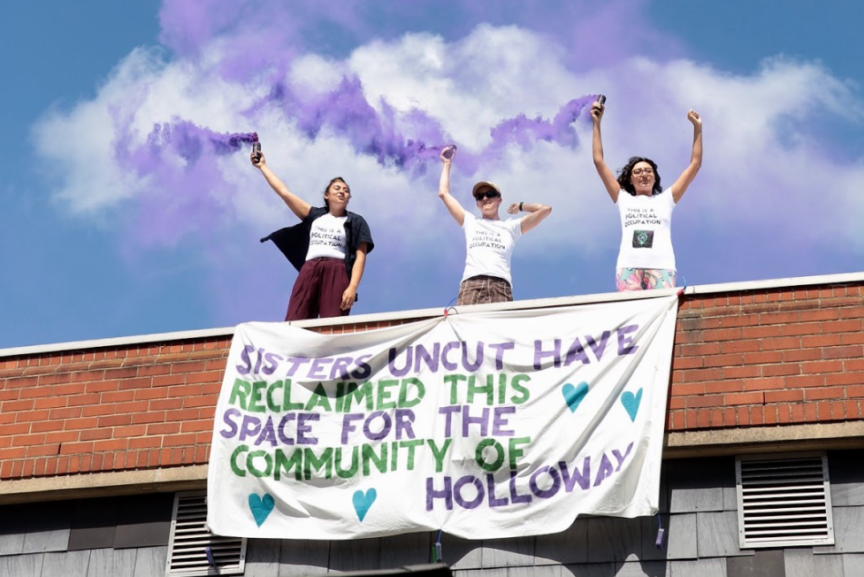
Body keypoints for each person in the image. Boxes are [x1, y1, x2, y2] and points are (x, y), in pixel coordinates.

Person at [591, 100, 702, 291]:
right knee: (632, 318)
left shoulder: (667, 199)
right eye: (638, 172)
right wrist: (596, 123)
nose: (644, 174)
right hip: (628, 269)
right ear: (630, 180)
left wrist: (697, 128)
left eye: (648, 171)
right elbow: (599, 161)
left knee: (662, 317)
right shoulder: (623, 198)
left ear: (655, 177)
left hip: (662, 268)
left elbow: (695, 164)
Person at [253, 151, 374, 321]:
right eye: (337, 188)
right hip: (310, 268)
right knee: (296, 319)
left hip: (337, 270)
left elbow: (360, 257)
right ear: (327, 195)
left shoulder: (356, 221)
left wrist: (352, 286)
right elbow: (284, 193)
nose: (342, 192)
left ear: (349, 198)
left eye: (346, 191)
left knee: (333, 322)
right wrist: (262, 166)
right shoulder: (315, 215)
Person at [438, 146, 552, 306]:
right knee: (467, 329)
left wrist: (520, 206)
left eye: (490, 194)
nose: (485, 198)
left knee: (500, 330)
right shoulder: (470, 222)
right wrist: (447, 163)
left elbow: (545, 209)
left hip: (500, 286)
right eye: (480, 196)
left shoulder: (511, 227)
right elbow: (444, 193)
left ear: (499, 200)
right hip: (472, 285)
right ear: (477, 203)